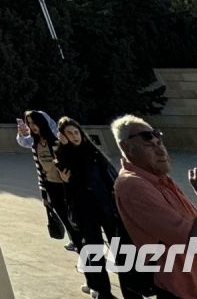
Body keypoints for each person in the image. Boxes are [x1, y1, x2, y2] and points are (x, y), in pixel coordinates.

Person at [111, 115, 197, 299]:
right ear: (126, 147)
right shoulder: (132, 185)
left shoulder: (162, 182)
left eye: (160, 142)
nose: (160, 150)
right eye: (149, 143)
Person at [55, 117, 147, 299]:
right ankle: (102, 292)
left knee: (121, 250)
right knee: (93, 251)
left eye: (76, 132)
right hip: (85, 211)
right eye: (69, 134)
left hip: (106, 207)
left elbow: (111, 177)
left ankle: (133, 292)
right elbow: (68, 181)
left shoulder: (93, 152)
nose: (74, 137)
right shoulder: (63, 156)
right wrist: (62, 147)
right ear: (63, 136)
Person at [18, 110, 81, 250]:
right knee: (64, 217)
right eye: (29, 123)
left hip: (65, 185)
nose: (32, 126)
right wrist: (44, 194)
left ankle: (86, 244)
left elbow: (72, 160)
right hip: (51, 186)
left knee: (76, 217)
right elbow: (39, 169)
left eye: (34, 122)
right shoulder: (35, 144)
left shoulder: (56, 141)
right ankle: (77, 244)